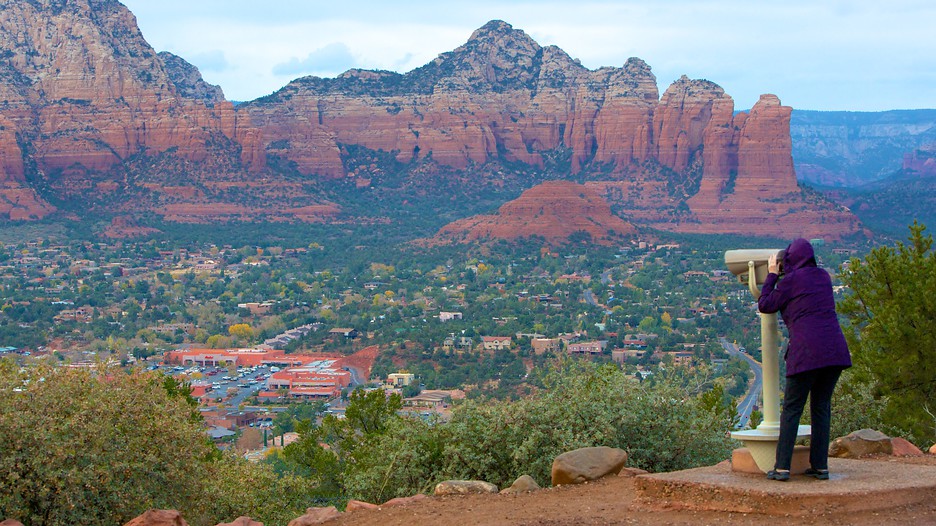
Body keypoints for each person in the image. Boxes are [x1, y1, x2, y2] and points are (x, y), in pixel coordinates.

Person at [757, 238, 852, 481]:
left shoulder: (790, 281)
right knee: (821, 407)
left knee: (792, 409)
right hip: (835, 351)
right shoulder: (824, 277)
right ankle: (820, 466)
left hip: (806, 353)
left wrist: (772, 275)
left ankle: (782, 468)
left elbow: (765, 305)